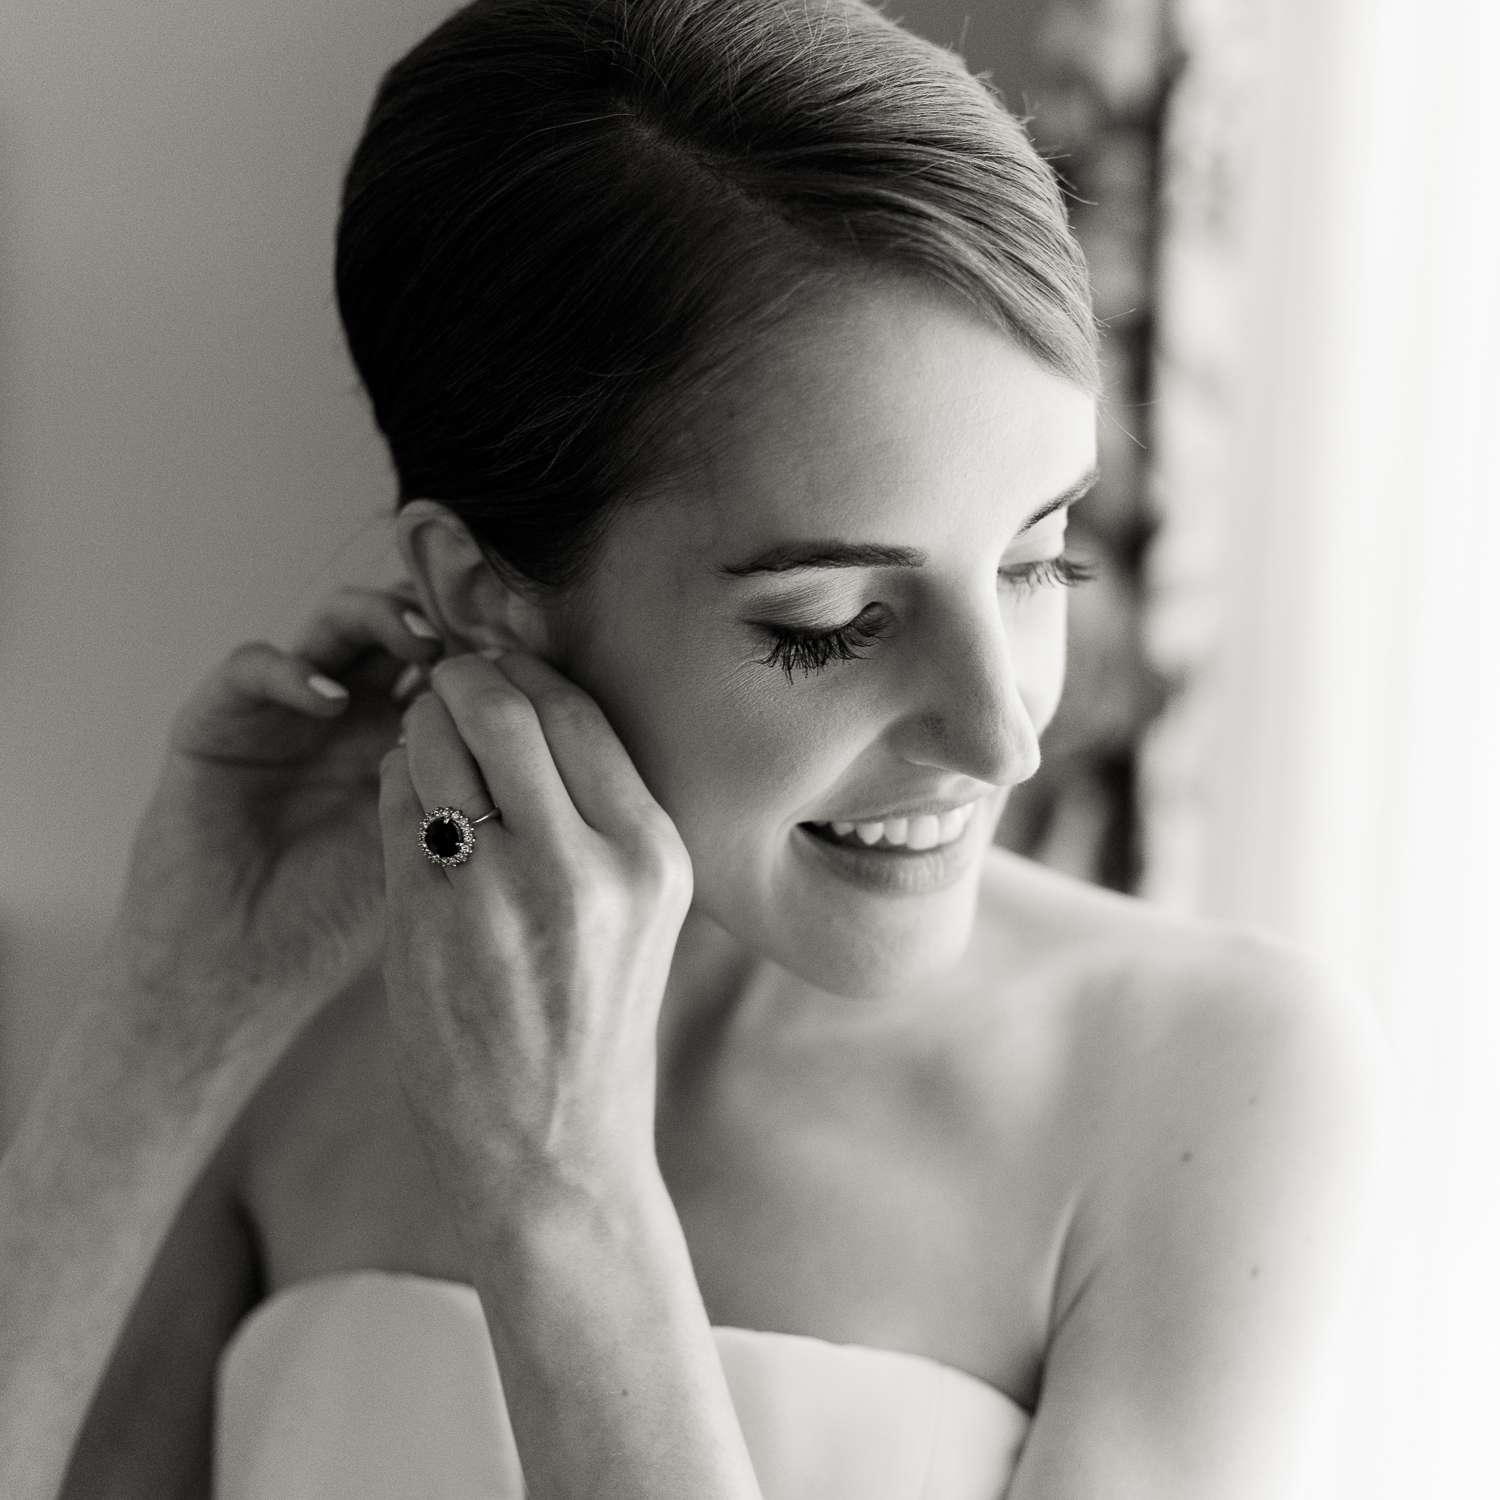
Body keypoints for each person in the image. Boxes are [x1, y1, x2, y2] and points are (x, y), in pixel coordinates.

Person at [0, 1, 1391, 1496]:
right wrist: (168, 1023)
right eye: (836, 620)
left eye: (1038, 560)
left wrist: (567, 1199)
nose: (1004, 734)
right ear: (485, 594)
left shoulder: (1202, 1082)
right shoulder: (307, 1031)